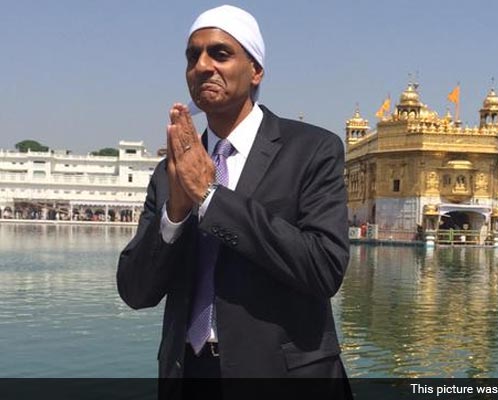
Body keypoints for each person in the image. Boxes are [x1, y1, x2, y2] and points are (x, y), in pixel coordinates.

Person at [116, 5, 351, 399]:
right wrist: (176, 212)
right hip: (189, 374)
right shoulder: (170, 170)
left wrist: (210, 198)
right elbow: (136, 292)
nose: (203, 65)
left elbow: (323, 268)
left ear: (255, 70)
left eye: (220, 53)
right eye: (193, 56)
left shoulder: (312, 151)